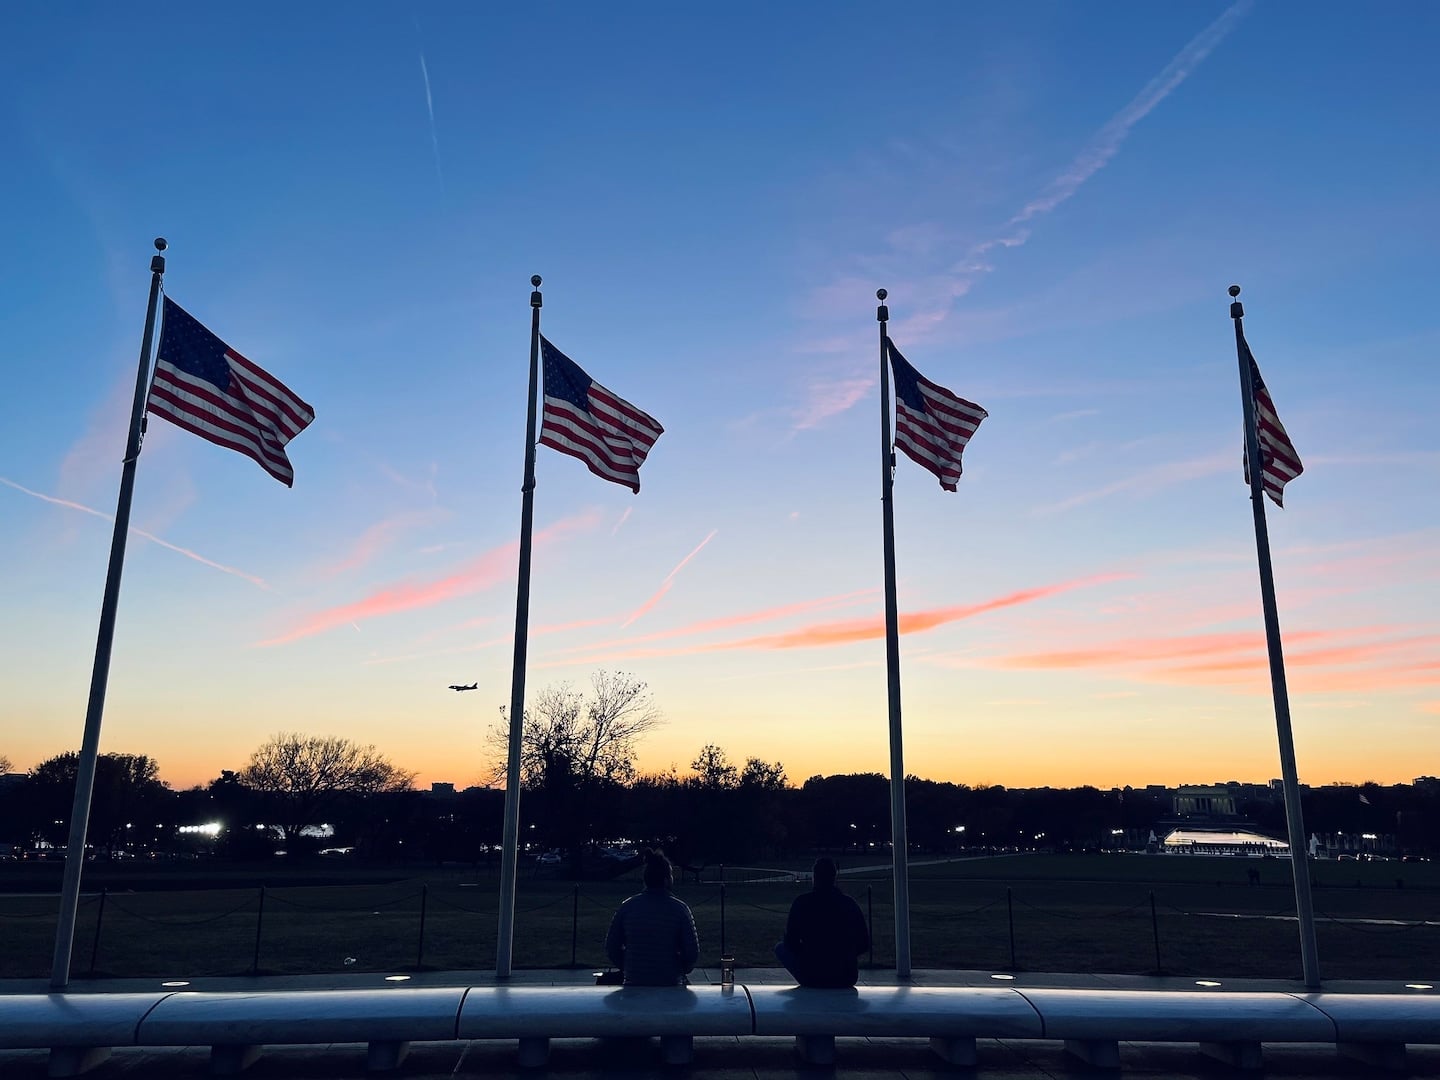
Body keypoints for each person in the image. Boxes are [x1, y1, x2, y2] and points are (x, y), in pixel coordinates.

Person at [604, 849, 700, 986]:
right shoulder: (680, 909)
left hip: (634, 980)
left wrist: (628, 967)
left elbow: (611, 947)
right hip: (670, 981)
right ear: (667, 880)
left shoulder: (627, 907)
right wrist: (680, 969)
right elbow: (692, 952)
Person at [774, 857, 869, 987]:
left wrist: (809, 953)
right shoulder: (849, 903)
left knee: (780, 947)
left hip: (813, 975)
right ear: (834, 877)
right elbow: (864, 943)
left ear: (814, 877)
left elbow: (791, 942)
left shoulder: (802, 903)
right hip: (846, 976)